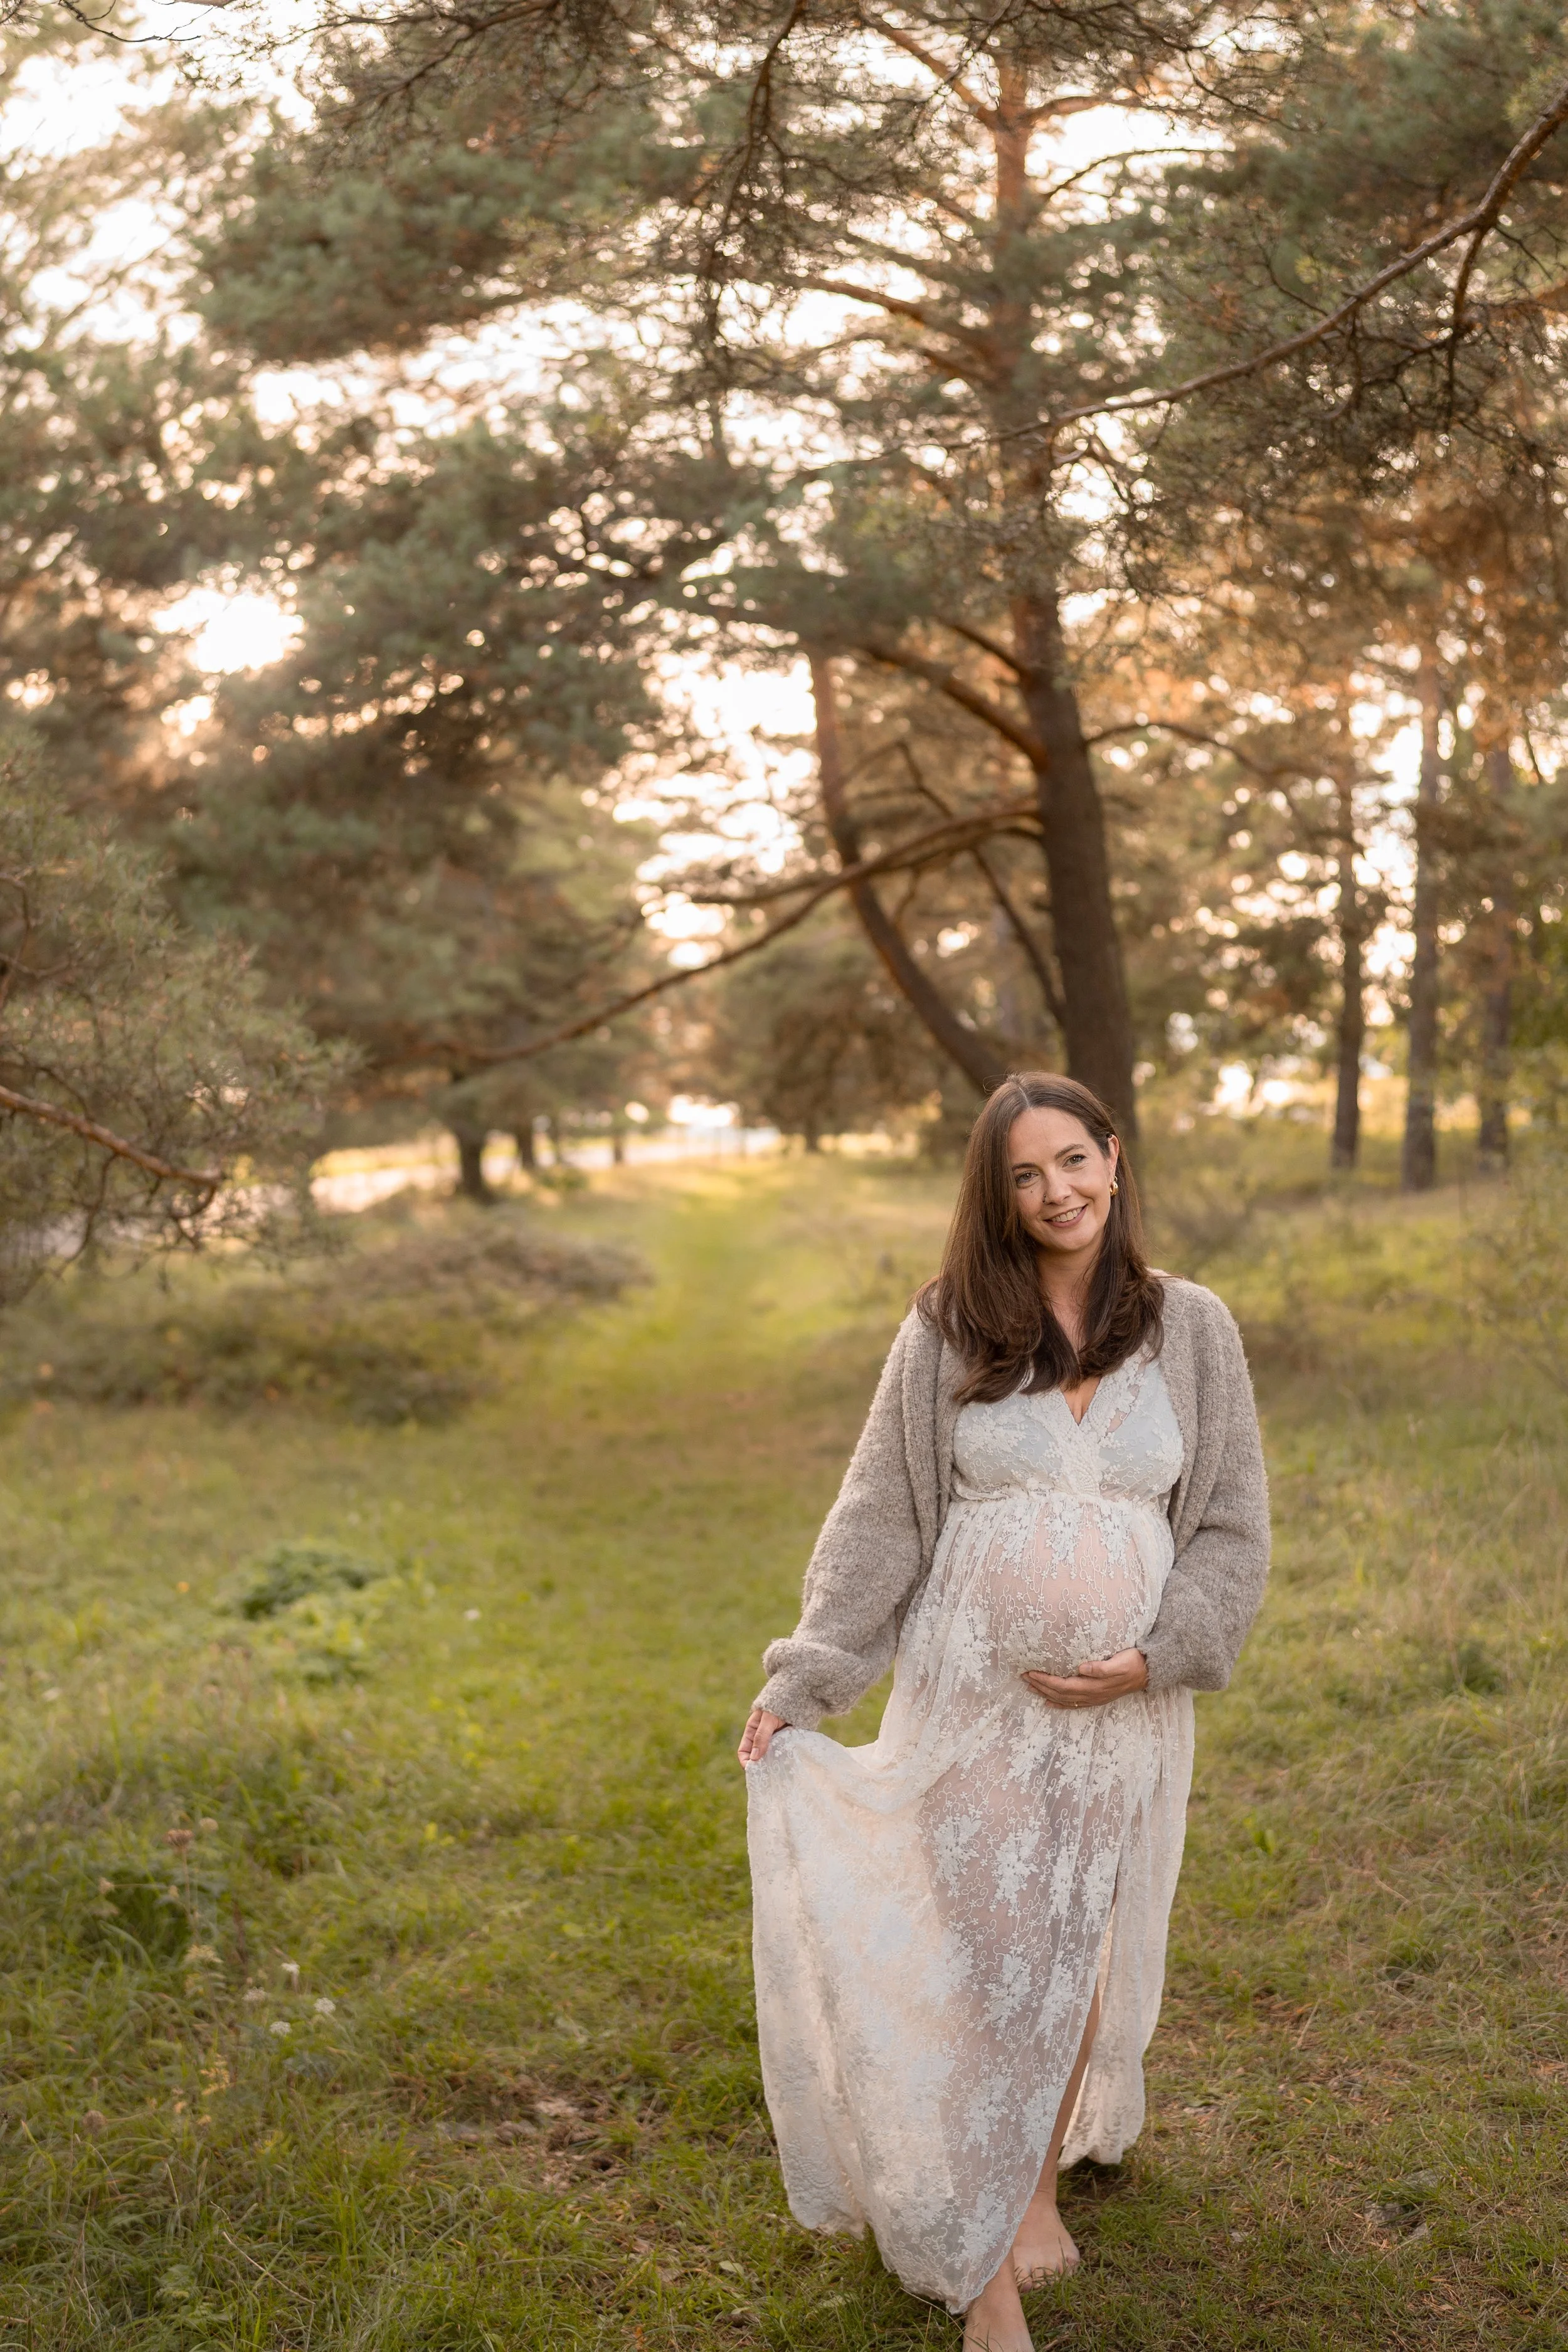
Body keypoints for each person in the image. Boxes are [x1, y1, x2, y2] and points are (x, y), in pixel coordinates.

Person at [738, 1073, 1270, 2352]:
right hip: (970, 1689)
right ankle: (983, 2269)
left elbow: (1228, 1527)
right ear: (995, 1194)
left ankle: (1027, 2185)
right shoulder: (945, 1331)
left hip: (1122, 1713)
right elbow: (880, 1519)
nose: (1054, 1193)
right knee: (988, 1952)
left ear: (1113, 1159)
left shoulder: (1190, 1328)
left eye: (1071, 1162)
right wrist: (807, 1675)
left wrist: (1153, 1659)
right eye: (1023, 1176)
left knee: (1070, 1940)